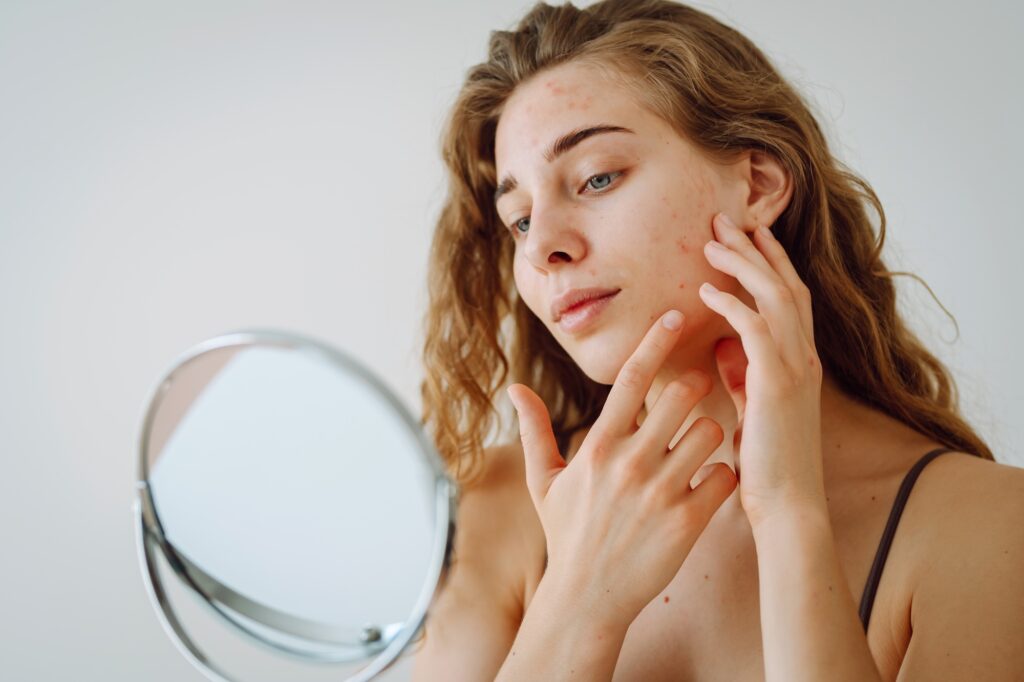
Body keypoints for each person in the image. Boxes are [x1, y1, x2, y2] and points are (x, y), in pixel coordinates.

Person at [411, 0, 1024, 679]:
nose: (543, 247)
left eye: (597, 178)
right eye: (520, 219)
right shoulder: (496, 508)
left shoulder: (990, 531)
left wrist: (790, 513)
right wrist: (579, 598)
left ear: (758, 185)